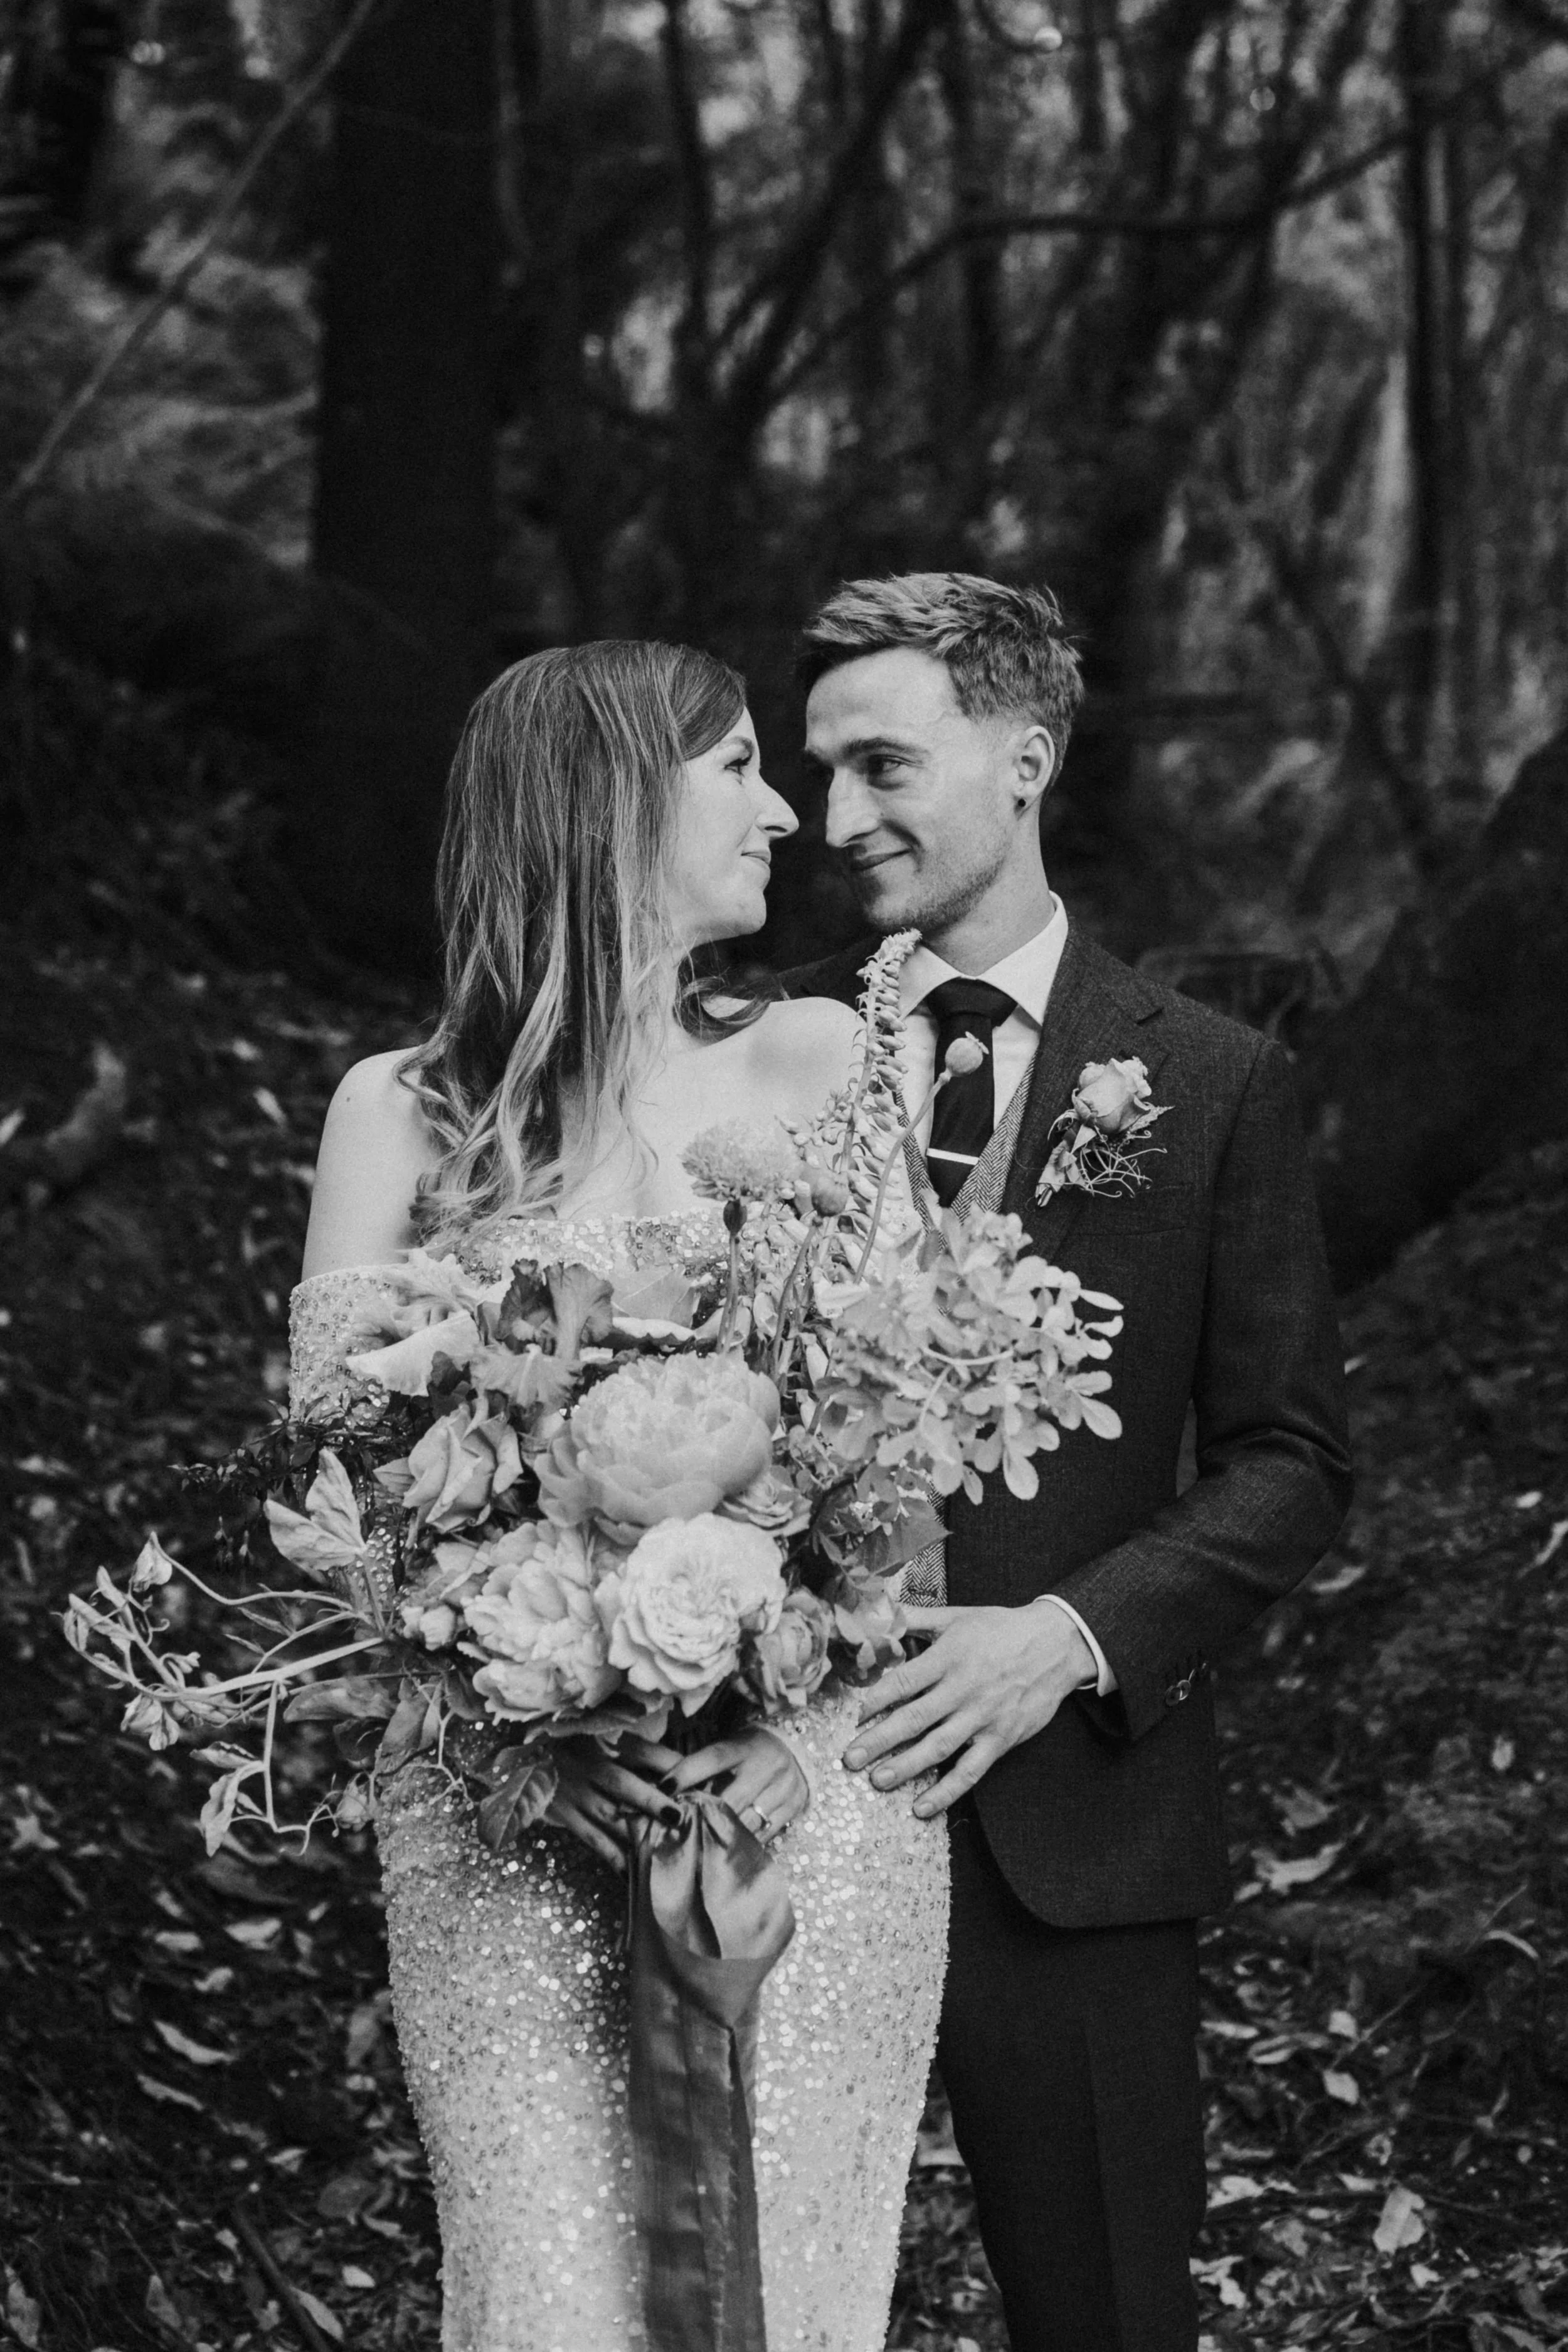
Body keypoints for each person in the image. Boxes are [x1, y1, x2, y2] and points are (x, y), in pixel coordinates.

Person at [289, 641, 950, 2351]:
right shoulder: (401, 1114)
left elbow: (905, 1469)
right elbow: (339, 1492)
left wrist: (795, 1737)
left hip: (799, 1816)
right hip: (508, 1825)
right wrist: (519, 1725)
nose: (785, 807)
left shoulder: (827, 1061)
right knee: (548, 2295)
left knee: (786, 2296)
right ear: (607, 800)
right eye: (737, 765)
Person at [783, 572, 1353, 2352]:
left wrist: (1067, 1639)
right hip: (783, 1799)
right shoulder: (763, 1059)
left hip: (1082, 1828)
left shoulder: (1215, 1081)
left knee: (1102, 2314)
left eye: (882, 763)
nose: (833, 817)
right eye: (814, 773)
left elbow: (1290, 1457)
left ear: (1022, 754)